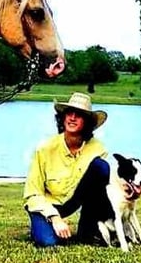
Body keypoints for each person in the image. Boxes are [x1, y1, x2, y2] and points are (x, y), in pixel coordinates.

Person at [23, 92, 111, 247]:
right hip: (47, 204)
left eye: (79, 115)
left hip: (74, 200)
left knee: (102, 167)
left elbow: (103, 189)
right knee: (48, 241)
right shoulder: (44, 148)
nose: (72, 118)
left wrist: (131, 190)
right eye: (69, 113)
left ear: (87, 121)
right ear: (62, 118)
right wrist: (55, 217)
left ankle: (88, 230)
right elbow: (32, 194)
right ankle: (42, 226)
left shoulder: (98, 148)